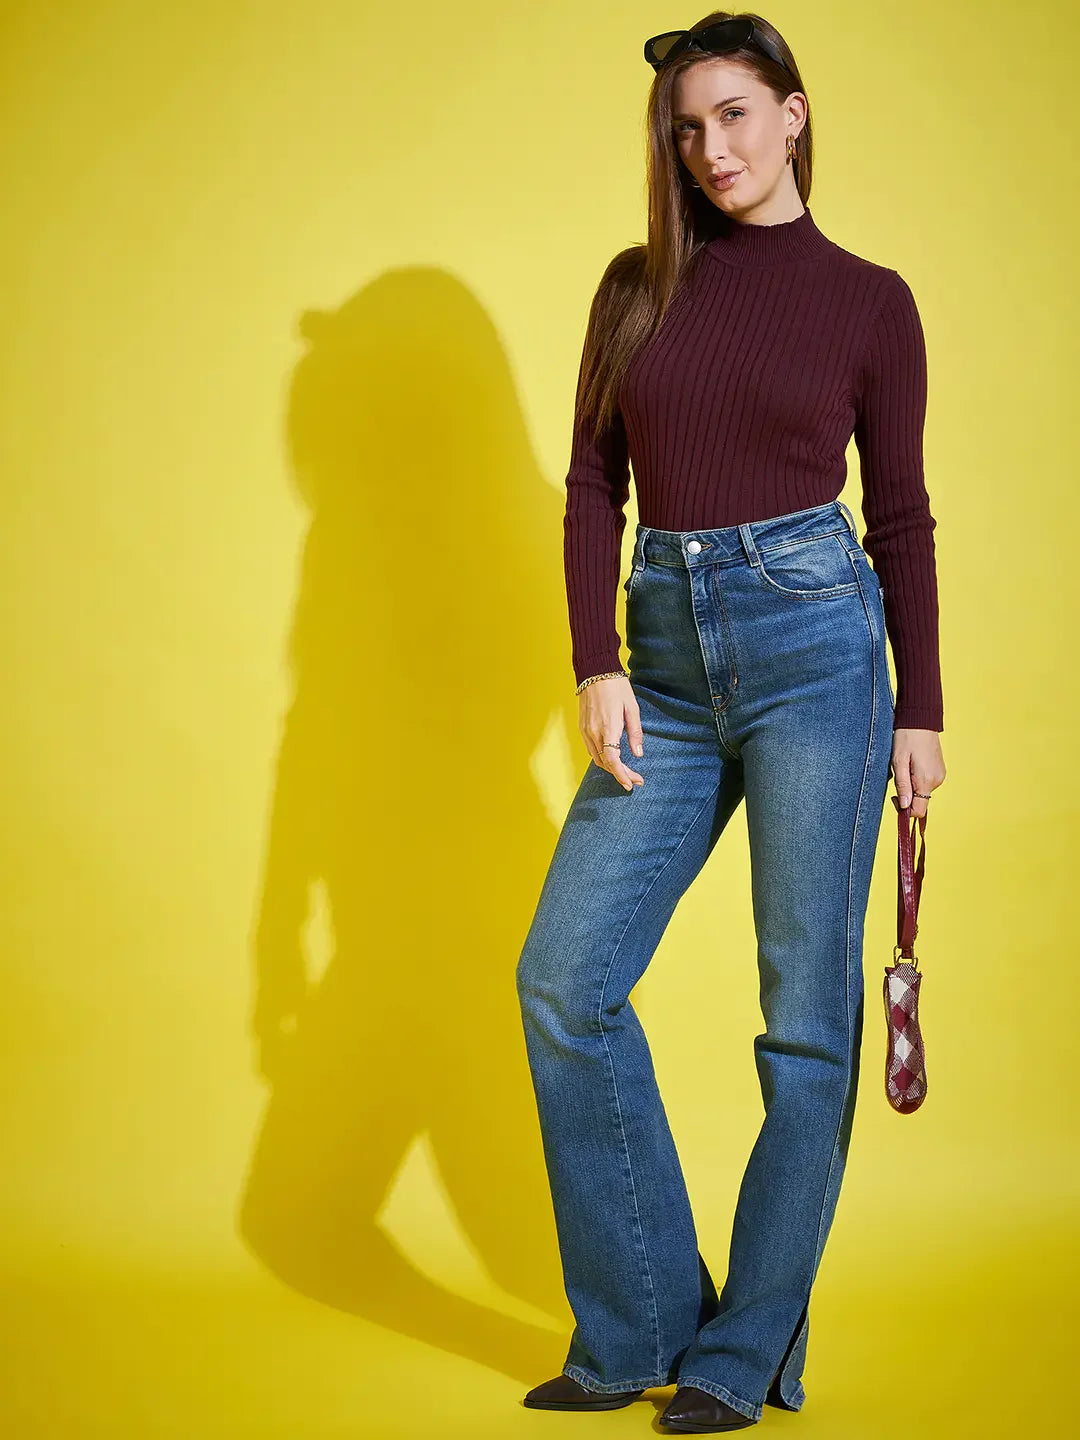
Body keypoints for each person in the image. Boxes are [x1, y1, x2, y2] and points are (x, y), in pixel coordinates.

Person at [514, 12, 947, 1435]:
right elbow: (591, 486)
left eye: (737, 117)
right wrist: (597, 663)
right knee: (566, 982)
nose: (713, 150)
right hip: (666, 658)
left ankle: (741, 1353)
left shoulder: (871, 300)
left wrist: (920, 713)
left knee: (805, 1026)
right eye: (688, 129)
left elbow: (900, 519)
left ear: (795, 115)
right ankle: (637, 1322)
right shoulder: (635, 288)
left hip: (819, 643)